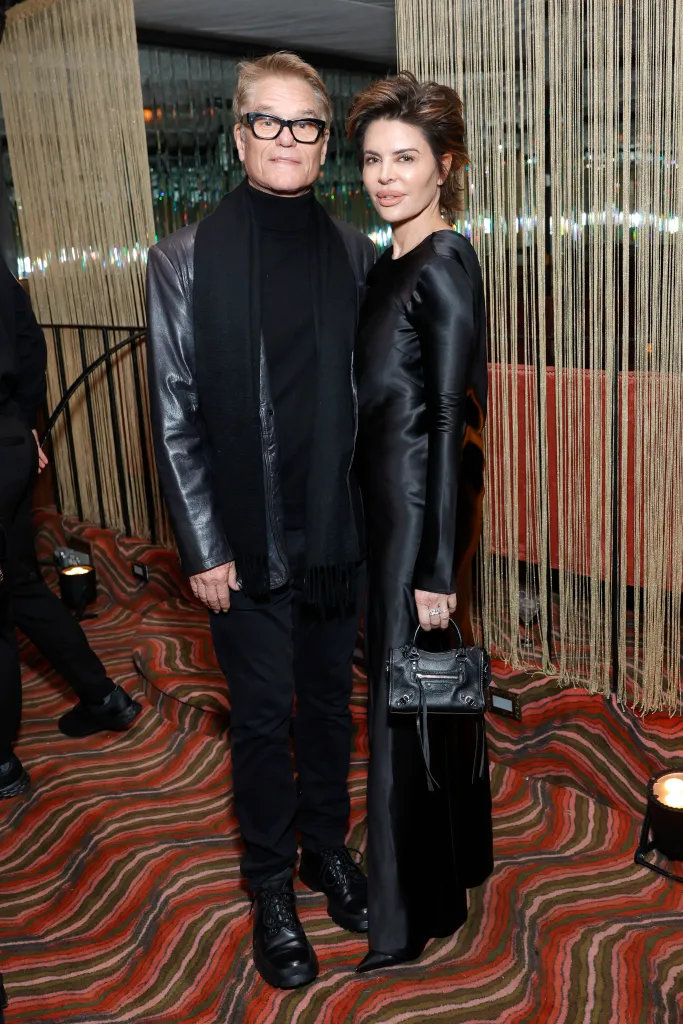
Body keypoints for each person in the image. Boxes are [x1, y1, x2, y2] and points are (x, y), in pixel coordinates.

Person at [146, 52, 374, 990]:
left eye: (306, 125)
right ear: (239, 135)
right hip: (242, 541)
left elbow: (381, 402)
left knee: (329, 704)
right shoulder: (181, 259)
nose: (287, 139)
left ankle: (327, 847)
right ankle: (271, 883)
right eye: (268, 122)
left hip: (337, 536)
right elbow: (171, 412)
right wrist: (200, 545)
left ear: (325, 142)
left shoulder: (360, 256)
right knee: (261, 718)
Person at [347, 73, 494, 972]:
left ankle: (404, 916)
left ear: (445, 166)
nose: (385, 176)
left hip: (415, 516)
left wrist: (436, 564)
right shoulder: (386, 261)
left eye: (405, 158)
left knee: (401, 706)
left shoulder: (445, 258)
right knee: (417, 697)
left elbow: (450, 415)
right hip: (379, 508)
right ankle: (451, 863)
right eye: (370, 159)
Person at [0, 257, 141, 799]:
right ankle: (103, 695)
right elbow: (30, 347)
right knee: (19, 585)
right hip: (8, 445)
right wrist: (21, 428)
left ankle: (2, 763)